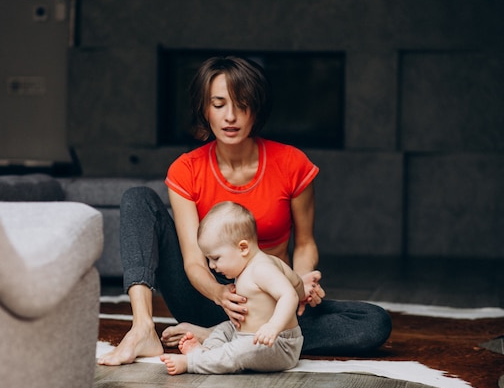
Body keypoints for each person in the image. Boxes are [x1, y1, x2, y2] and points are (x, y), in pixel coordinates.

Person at [97, 55, 391, 366]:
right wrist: (219, 293)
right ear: (204, 108)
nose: (231, 116)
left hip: (271, 302)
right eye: (219, 104)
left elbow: (304, 243)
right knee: (138, 198)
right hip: (210, 299)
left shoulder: (292, 164)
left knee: (373, 322)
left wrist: (301, 283)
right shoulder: (187, 170)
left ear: (257, 107)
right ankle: (143, 328)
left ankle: (220, 338)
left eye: (242, 103)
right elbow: (194, 261)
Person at [160, 201, 304, 375]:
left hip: (276, 344)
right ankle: (206, 353)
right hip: (247, 337)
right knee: (224, 329)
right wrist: (304, 292)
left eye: (216, 258)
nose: (212, 266)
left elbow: (289, 294)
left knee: (239, 352)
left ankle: (192, 362)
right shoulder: (253, 265)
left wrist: (273, 326)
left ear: (243, 248)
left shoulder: (262, 268)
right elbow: (296, 283)